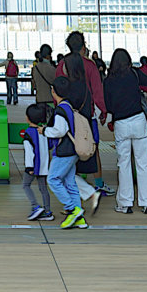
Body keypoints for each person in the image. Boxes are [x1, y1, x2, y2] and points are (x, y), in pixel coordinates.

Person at [57, 31, 110, 193]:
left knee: (71, 150)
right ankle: (99, 184)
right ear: (83, 46)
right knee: (91, 147)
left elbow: (58, 89)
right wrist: (103, 111)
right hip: (87, 114)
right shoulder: (90, 65)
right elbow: (97, 90)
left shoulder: (62, 65)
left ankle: (75, 185)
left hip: (68, 115)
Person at [104, 49, 147, 215]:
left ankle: (125, 203)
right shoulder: (134, 74)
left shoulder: (108, 80)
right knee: (143, 163)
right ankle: (146, 203)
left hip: (121, 123)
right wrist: (136, 70)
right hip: (138, 120)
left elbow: (108, 106)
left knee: (123, 164)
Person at [43, 77, 89, 229]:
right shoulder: (69, 106)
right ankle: (79, 219)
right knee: (70, 184)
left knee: (53, 179)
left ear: (53, 91)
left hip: (64, 151)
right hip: (73, 150)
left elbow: (59, 131)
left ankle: (72, 209)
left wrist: (44, 130)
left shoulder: (60, 110)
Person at [63, 54, 102, 214]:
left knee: (61, 172)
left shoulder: (69, 87)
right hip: (83, 131)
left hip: (72, 133)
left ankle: (83, 197)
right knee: (69, 171)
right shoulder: (84, 86)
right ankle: (75, 205)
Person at [21, 103, 54, 221]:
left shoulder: (28, 133)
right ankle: (48, 211)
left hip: (34, 166)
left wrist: (29, 167)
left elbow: (29, 152)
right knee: (44, 189)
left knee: (25, 185)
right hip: (44, 166)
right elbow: (50, 145)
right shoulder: (44, 131)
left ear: (27, 118)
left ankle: (35, 206)